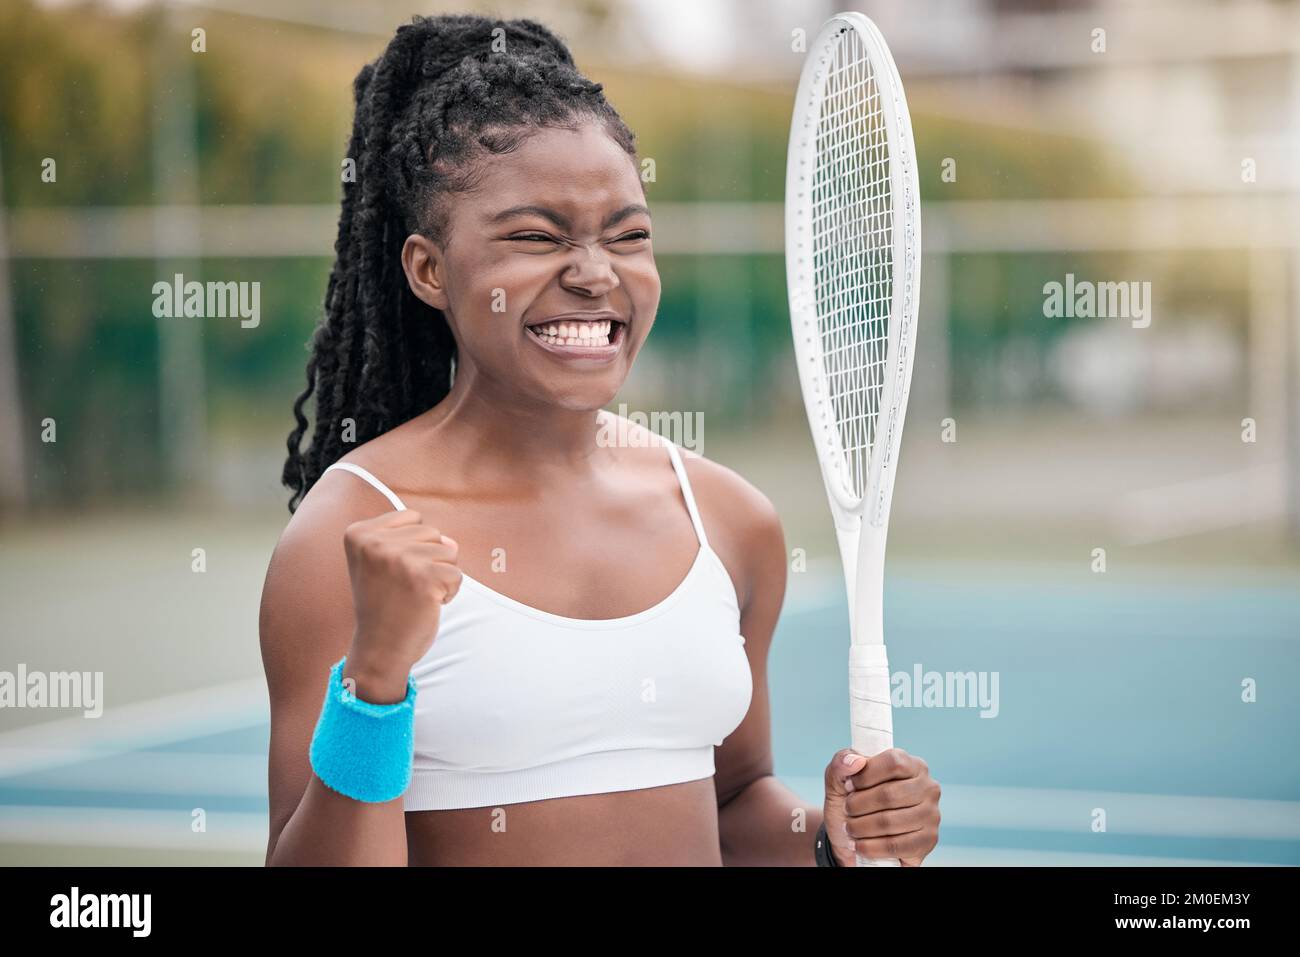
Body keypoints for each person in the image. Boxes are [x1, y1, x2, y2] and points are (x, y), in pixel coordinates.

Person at [259, 13, 940, 866]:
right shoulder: (348, 539)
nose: (594, 272)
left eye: (629, 235)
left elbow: (732, 803)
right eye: (537, 237)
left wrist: (827, 837)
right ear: (430, 269)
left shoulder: (729, 520)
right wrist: (374, 684)